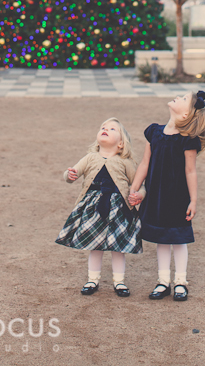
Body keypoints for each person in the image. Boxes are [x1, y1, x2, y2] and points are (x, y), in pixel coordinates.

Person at [129, 90, 205, 302]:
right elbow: (145, 163)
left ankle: (180, 282)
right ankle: (163, 281)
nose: (178, 97)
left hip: (177, 197)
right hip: (155, 197)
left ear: (186, 115)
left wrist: (193, 200)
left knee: (178, 240)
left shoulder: (187, 140)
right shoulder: (154, 132)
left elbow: (190, 171)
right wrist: (135, 187)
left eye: (184, 99)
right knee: (162, 241)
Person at [56, 118, 143, 298]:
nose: (106, 129)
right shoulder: (90, 158)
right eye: (103, 128)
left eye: (112, 129)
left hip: (119, 209)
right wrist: (69, 175)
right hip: (93, 208)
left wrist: (140, 195)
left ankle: (119, 282)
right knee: (95, 246)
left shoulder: (125, 162)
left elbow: (139, 185)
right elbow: (72, 173)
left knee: (118, 247)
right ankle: (92, 280)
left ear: (121, 143)